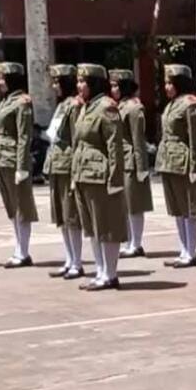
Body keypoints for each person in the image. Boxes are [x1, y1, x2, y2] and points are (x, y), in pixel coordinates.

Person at [72, 64, 128, 291]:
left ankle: (110, 274)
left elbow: (114, 147)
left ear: (93, 83)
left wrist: (115, 179)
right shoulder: (85, 108)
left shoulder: (106, 107)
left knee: (106, 225)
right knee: (92, 227)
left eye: (83, 82)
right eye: (78, 81)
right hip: (83, 173)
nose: (79, 86)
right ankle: (100, 271)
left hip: (99, 175)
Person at [0, 62, 37, 268]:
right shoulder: (6, 101)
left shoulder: (22, 103)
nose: (0, 82)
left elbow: (24, 137)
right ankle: (18, 249)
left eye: (3, 78)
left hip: (13, 159)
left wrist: (22, 166)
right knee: (12, 207)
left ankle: (23, 252)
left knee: (21, 207)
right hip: (2, 158)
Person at [157, 64, 196, 268]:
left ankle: (191, 252)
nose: (167, 87)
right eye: (166, 83)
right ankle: (183, 250)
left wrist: (195, 166)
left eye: (170, 83)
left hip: (182, 161)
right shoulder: (171, 105)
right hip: (168, 161)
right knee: (177, 209)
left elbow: (195, 138)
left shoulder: (189, 104)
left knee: (189, 208)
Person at [43, 64, 84, 279]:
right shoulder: (61, 106)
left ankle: (77, 262)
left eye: (58, 82)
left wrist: (77, 170)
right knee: (61, 216)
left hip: (68, 164)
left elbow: (77, 140)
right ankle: (69, 259)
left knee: (71, 216)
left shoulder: (74, 106)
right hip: (56, 163)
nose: (54, 86)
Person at [109, 69, 154, 258]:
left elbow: (138, 140)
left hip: (131, 162)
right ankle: (129, 242)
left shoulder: (134, 108)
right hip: (120, 160)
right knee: (124, 205)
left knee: (134, 205)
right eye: (112, 86)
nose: (113, 90)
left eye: (116, 86)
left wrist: (141, 168)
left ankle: (136, 244)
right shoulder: (119, 106)